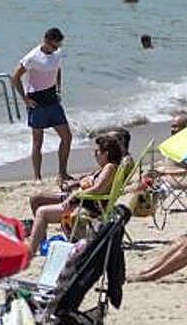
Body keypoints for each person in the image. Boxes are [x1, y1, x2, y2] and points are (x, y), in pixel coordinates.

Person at [26, 133, 122, 254]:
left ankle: (31, 250)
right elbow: (92, 184)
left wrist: (74, 195)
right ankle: (39, 242)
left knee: (42, 211)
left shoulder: (109, 168)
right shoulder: (105, 168)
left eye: (97, 151)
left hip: (86, 205)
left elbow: (97, 189)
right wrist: (77, 184)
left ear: (106, 153)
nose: (94, 155)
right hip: (84, 200)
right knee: (36, 199)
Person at [12, 27, 73, 182]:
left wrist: (59, 89)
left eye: (58, 46)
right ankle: (37, 177)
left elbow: (58, 69)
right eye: (53, 46)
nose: (55, 49)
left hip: (52, 97)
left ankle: (62, 173)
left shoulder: (57, 54)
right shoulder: (32, 57)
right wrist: (25, 99)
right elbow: (15, 78)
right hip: (36, 100)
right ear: (45, 40)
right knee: (38, 141)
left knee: (67, 136)